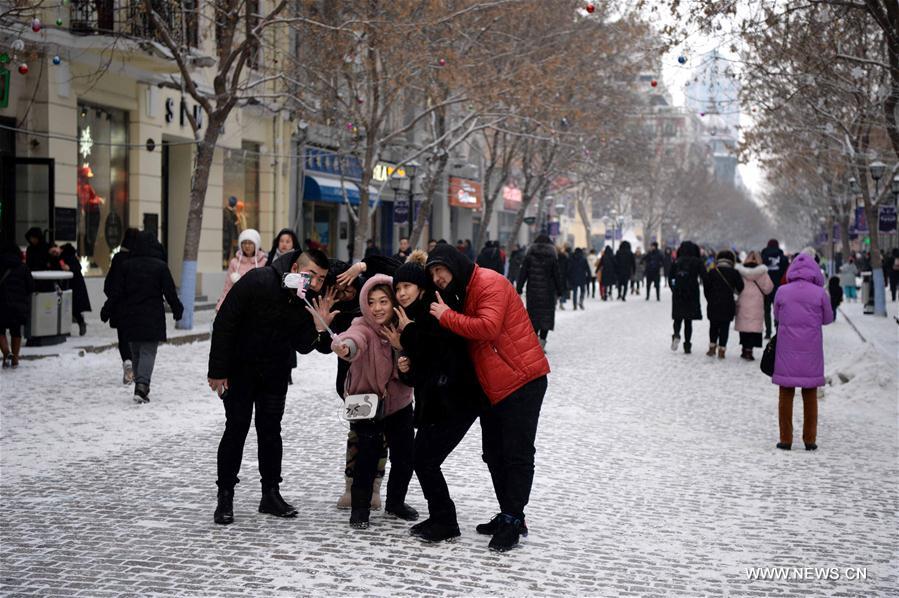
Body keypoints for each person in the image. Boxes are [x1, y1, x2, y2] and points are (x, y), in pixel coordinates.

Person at [426, 243, 550, 552]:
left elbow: (488, 327)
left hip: (522, 380)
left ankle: (512, 518)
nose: (438, 278)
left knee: (517, 453)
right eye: (433, 273)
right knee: (494, 453)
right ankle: (510, 514)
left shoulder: (488, 282)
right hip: (493, 386)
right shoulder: (462, 291)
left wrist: (446, 316)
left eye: (441, 270)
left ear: (455, 265)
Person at [208, 248, 330, 525]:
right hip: (241, 370)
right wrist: (217, 371)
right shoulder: (259, 280)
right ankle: (225, 496)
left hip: (275, 372)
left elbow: (302, 343)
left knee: (271, 432)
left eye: (322, 279)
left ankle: (270, 494)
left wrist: (319, 326)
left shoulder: (306, 298)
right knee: (236, 429)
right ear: (296, 267)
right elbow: (225, 322)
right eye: (312, 276)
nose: (316, 283)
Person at [392, 254, 486, 542]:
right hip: (439, 401)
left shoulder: (434, 310)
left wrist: (407, 335)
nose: (402, 293)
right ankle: (440, 517)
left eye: (407, 286)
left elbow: (439, 352)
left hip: (457, 401)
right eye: (398, 288)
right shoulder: (414, 315)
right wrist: (405, 367)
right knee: (422, 459)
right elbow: (422, 369)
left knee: (426, 460)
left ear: (420, 287)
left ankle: (446, 521)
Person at [331, 274, 418, 529]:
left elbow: (414, 360)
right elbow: (354, 339)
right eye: (371, 302)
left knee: (405, 456)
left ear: (393, 303)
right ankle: (359, 509)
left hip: (398, 403)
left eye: (383, 301)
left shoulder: (404, 325)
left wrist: (403, 352)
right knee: (366, 456)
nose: (377, 308)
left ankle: (396, 502)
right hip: (367, 403)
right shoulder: (362, 325)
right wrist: (345, 347)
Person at [103, 232, 183, 402]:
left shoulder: (126, 266)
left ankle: (140, 386)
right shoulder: (160, 266)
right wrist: (177, 310)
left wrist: (107, 309)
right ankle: (142, 385)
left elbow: (116, 291)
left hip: (129, 315)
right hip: (151, 315)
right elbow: (170, 292)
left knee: (136, 351)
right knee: (147, 351)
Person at [772, 253, 834, 451]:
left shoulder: (782, 291)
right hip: (811, 350)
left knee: (785, 393)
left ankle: (785, 439)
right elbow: (828, 318)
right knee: (810, 394)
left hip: (786, 349)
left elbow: (777, 315)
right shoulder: (820, 293)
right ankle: (809, 439)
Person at [102, 228, 140, 383]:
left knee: (123, 338)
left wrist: (111, 303)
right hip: (138, 306)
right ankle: (137, 369)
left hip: (121, 306)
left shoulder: (118, 259)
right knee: (137, 339)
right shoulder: (141, 259)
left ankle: (128, 363)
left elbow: (109, 284)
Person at [516, 235, 563, 349]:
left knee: (533, 317)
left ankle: (534, 342)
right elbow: (557, 275)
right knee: (546, 317)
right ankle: (542, 343)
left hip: (533, 292)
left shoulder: (529, 257)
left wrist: (519, 287)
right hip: (548, 292)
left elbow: (523, 273)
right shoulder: (552, 258)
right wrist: (560, 290)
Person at [735, 251, 774, 361]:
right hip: (757, 302)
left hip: (743, 300)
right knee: (753, 327)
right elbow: (768, 288)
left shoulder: (740, 271)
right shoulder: (762, 272)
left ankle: (744, 347)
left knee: (744, 325)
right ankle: (749, 350)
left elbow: (736, 286)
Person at [0, 241, 34, 368]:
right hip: (18, 306)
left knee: (0, 330)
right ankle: (15, 359)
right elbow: (31, 286)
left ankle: (6, 352)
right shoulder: (23, 267)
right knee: (16, 332)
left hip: (2, 303)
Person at [217, 228, 267, 311]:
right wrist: (221, 306)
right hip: (238, 305)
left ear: (256, 244)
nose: (247, 246)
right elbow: (228, 286)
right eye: (244, 243)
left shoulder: (264, 262)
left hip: (257, 306)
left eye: (250, 243)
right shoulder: (234, 262)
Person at [669, 241, 704, 354]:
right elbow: (705, 277)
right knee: (688, 321)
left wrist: (673, 289)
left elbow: (670, 278)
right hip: (692, 293)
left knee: (678, 318)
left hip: (678, 292)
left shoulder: (676, 262)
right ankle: (687, 345)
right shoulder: (697, 262)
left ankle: (676, 334)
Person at [54, 243, 91, 336]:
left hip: (71, 286)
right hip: (73, 286)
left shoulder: (65, 257)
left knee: (70, 308)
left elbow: (68, 268)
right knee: (72, 309)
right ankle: (72, 327)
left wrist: (68, 267)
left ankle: (68, 329)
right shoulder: (71, 257)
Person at [761, 239, 789, 338]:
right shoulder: (783, 258)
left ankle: (768, 332)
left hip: (765, 287)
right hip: (779, 288)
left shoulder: (763, 256)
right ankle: (778, 329)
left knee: (766, 310)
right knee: (778, 310)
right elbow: (787, 272)